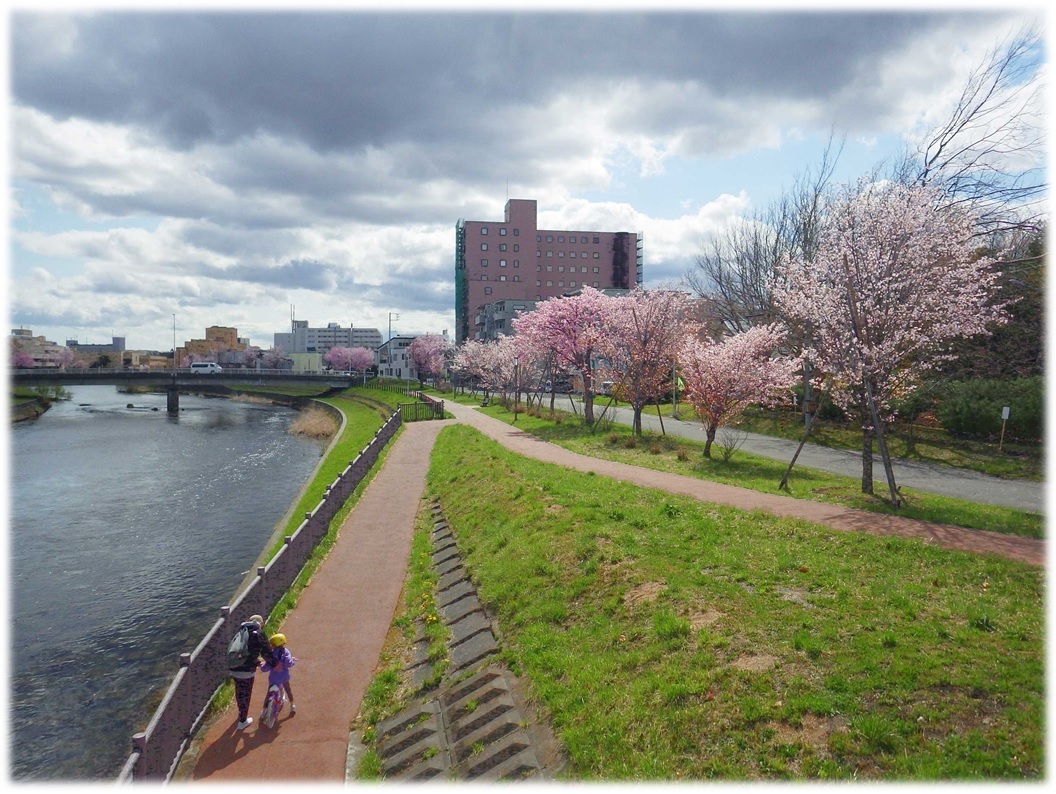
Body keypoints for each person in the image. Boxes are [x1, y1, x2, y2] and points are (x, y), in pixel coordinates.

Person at [228, 614, 269, 730]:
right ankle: (242, 721)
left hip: (234, 666)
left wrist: (256, 661)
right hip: (245, 670)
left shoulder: (242, 630)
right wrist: (274, 664)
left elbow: (245, 651)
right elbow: (266, 651)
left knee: (239, 691)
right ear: (261, 623)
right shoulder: (258, 633)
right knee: (245, 694)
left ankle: (241, 712)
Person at [260, 632, 297, 714]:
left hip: (273, 679)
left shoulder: (271, 655)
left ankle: (264, 711)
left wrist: (262, 667)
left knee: (269, 694)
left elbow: (266, 667)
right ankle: (292, 705)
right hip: (284, 677)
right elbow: (289, 663)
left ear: (274, 645)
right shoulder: (286, 652)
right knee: (288, 690)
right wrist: (293, 660)